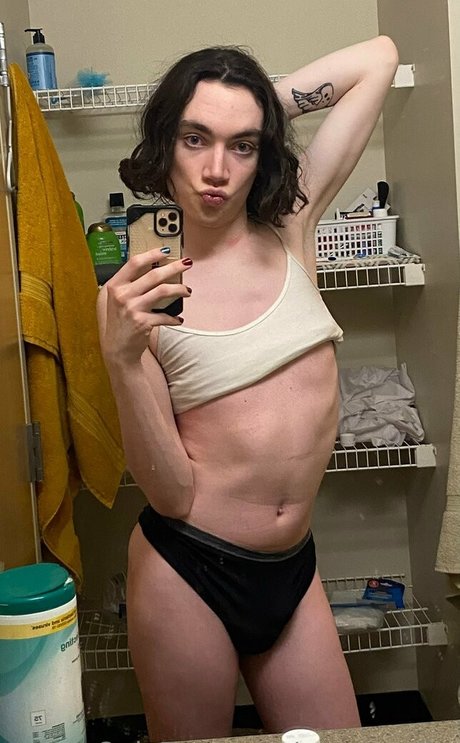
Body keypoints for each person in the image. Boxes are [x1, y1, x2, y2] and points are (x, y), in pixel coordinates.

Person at [97, 36, 399, 742]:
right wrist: (121, 359)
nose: (216, 170)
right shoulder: (137, 296)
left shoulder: (291, 227)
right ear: (165, 143)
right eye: (194, 138)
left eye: (242, 146)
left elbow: (378, 59)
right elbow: (171, 493)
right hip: (187, 570)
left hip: (292, 567)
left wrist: (257, 108)